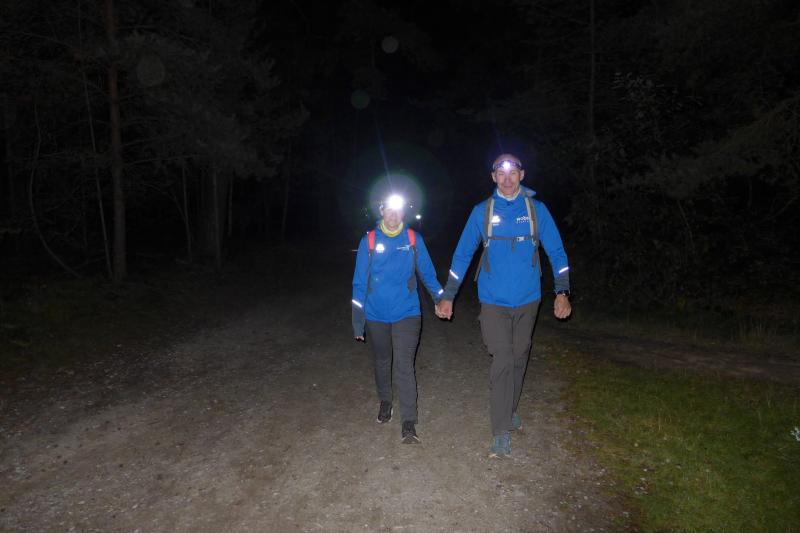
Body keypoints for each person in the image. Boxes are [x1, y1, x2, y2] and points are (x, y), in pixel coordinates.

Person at [435, 153, 572, 458]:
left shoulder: (536, 210)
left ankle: (508, 410)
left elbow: (557, 253)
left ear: (522, 175)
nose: (507, 178)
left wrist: (562, 291)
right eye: (501, 172)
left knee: (520, 356)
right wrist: (449, 295)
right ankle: (500, 431)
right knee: (504, 358)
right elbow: (462, 255)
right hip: (493, 300)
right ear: (493, 177)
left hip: (528, 299)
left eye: (512, 172)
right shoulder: (481, 212)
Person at [352, 193, 444, 444]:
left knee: (404, 364)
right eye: (389, 209)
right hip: (376, 313)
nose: (394, 214)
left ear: (404, 212)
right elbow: (359, 283)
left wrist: (441, 299)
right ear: (381, 211)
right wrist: (358, 321)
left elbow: (428, 273)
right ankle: (385, 401)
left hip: (407, 312)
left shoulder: (413, 239)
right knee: (383, 360)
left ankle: (409, 422)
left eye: (398, 209)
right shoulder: (369, 241)